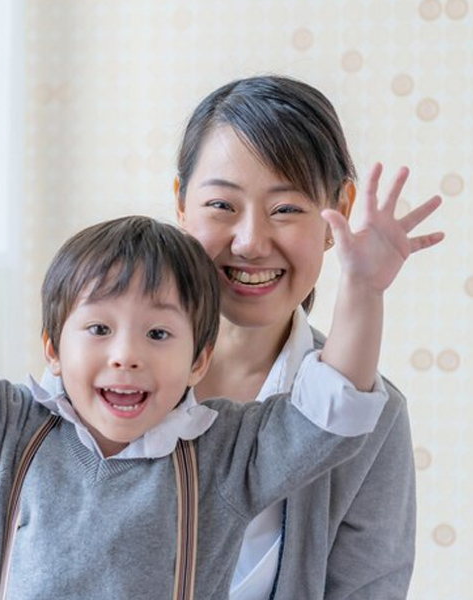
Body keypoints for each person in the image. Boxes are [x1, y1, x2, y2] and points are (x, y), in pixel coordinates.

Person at [0, 135, 440, 597]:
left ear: (198, 359)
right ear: (52, 347)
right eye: (99, 329)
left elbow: (330, 411)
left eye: (157, 333)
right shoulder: (8, 431)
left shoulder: (224, 455)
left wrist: (363, 289)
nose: (126, 355)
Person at [172, 75, 439, 599]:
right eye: (222, 205)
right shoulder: (113, 371)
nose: (251, 243)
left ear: (338, 209)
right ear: (180, 204)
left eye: (286, 209)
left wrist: (365, 289)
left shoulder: (373, 417)